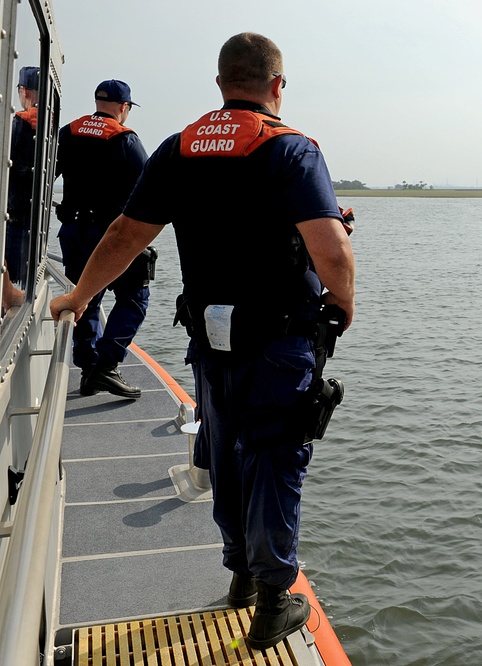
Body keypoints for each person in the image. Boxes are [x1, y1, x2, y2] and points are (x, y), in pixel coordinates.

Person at [50, 32, 355, 651]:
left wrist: (78, 296)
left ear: (220, 84)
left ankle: (240, 573)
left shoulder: (179, 148)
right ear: (277, 85)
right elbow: (331, 250)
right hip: (278, 339)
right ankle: (273, 600)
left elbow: (125, 232)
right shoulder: (292, 150)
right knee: (274, 455)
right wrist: (342, 302)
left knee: (226, 449)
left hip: (211, 338)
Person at [55, 80, 152, 399]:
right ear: (124, 107)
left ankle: (87, 370)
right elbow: (152, 188)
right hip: (112, 237)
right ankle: (106, 368)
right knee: (135, 297)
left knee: (84, 299)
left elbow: (44, 174)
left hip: (73, 233)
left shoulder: (68, 132)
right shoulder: (125, 139)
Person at [6, 66, 40, 286]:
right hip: (33, 218)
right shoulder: (49, 123)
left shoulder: (19, 123)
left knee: (9, 284)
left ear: (24, 91)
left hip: (14, 216)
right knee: (28, 281)